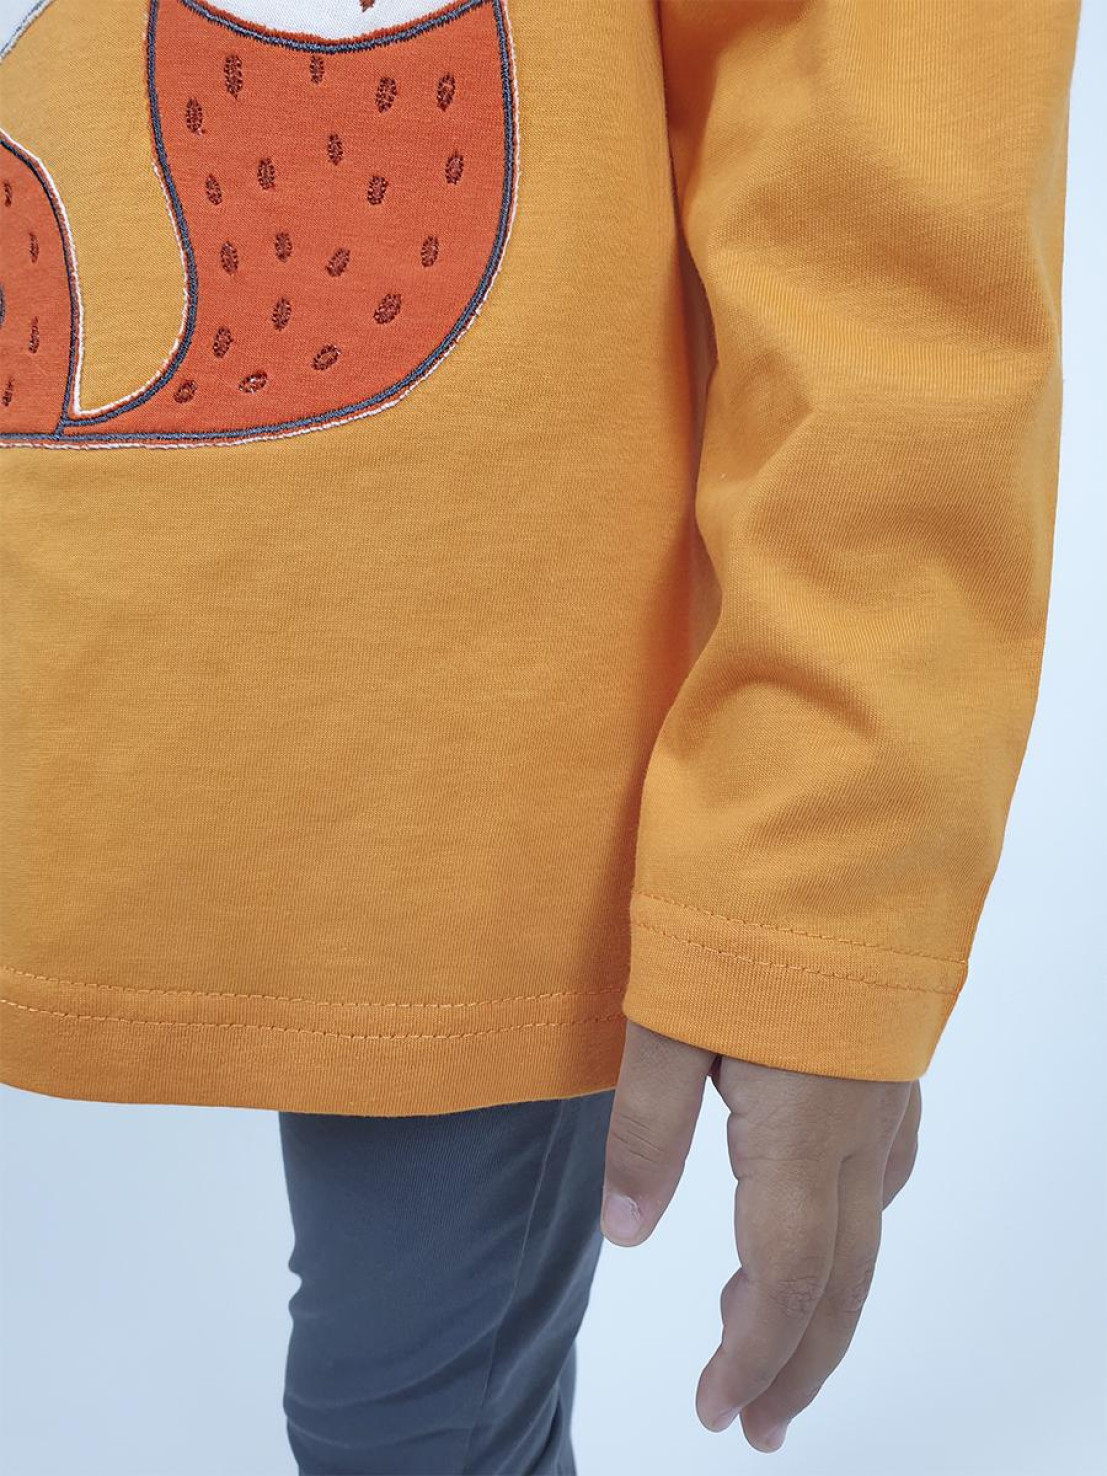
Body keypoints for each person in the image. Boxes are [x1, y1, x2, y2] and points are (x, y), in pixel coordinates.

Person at [0, 0, 1081, 1470]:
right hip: (115, 632)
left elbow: (879, 154)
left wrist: (824, 879)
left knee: (402, 1427)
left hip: (459, 727)